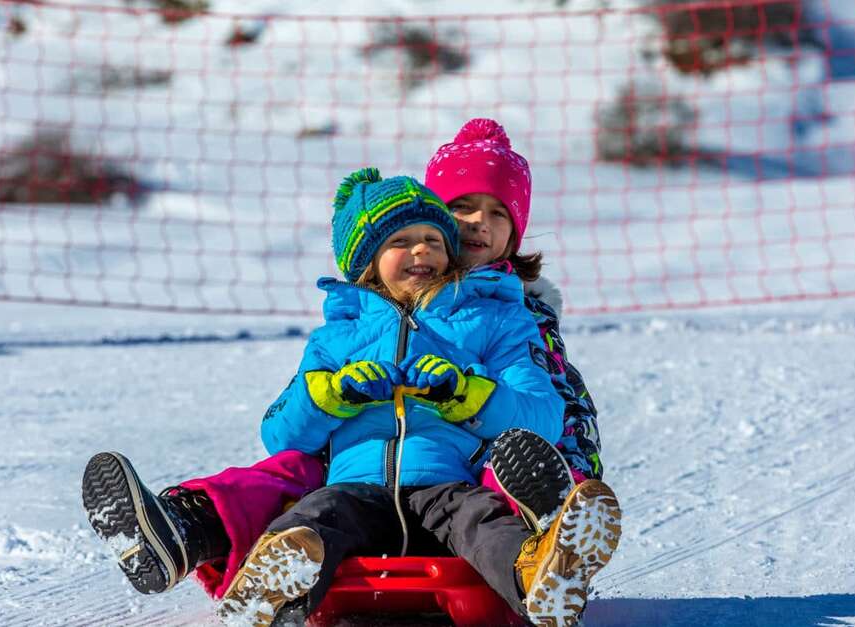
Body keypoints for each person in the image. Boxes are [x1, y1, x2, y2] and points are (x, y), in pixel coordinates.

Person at [81, 120, 612, 618]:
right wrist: (331, 395)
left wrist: (469, 395)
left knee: (483, 517)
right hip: (356, 478)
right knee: (307, 500)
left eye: (499, 214)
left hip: (464, 476)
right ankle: (236, 563)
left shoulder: (509, 315)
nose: (478, 224)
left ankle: (542, 570)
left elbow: (552, 412)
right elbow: (282, 429)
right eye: (462, 209)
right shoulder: (342, 332)